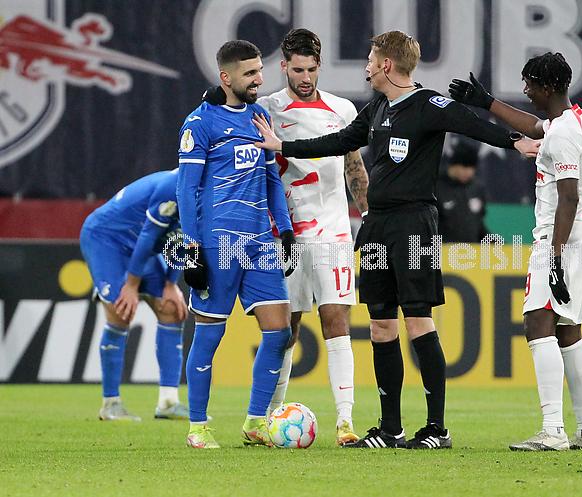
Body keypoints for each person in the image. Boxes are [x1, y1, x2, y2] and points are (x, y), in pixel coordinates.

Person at [251, 30, 540, 449]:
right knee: (381, 323)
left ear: (386, 65)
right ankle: (391, 429)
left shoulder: (429, 104)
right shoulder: (377, 108)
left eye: (371, 60)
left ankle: (436, 429)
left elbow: (474, 126)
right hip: (377, 226)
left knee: (418, 320)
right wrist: (284, 145)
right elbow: (338, 142)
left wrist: (517, 142)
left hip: (414, 224)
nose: (366, 67)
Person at [204, 28, 370, 445]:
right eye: (297, 70)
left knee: (336, 320)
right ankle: (265, 419)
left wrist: (367, 215)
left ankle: (345, 422)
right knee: (286, 328)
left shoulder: (343, 109)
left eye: (312, 69)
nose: (305, 77)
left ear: (320, 66)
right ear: (284, 67)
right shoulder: (266, 109)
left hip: (333, 230)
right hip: (285, 234)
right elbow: (226, 114)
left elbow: (354, 167)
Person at [449, 53, 582, 452]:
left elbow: (568, 197)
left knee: (538, 323)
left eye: (530, 84)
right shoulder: (575, 120)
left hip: (560, 238)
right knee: (569, 331)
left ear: (547, 87)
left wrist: (555, 257)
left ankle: (553, 429)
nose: (526, 90)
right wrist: (487, 102)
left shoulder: (564, 133)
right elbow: (534, 126)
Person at [177, 40, 295, 449]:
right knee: (209, 336)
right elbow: (186, 190)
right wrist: (191, 249)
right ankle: (197, 426)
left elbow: (271, 179)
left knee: (279, 332)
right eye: (250, 73)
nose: (259, 79)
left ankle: (255, 422)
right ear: (226, 77)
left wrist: (285, 230)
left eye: (259, 70)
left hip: (260, 242)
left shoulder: (260, 117)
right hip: (218, 244)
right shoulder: (200, 123)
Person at [80, 169, 189, 422]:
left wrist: (171, 283)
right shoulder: (173, 185)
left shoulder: (211, 188)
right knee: (121, 312)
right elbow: (149, 235)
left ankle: (168, 402)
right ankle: (110, 403)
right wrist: (131, 285)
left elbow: (186, 238)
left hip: (142, 246)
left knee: (171, 309)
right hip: (107, 239)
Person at [436, 139, 490, 243]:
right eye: (464, 167)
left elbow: (478, 226)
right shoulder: (435, 187)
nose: (469, 172)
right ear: (453, 165)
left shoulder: (476, 189)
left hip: (470, 251)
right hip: (442, 250)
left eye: (472, 167)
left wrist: (499, 245)